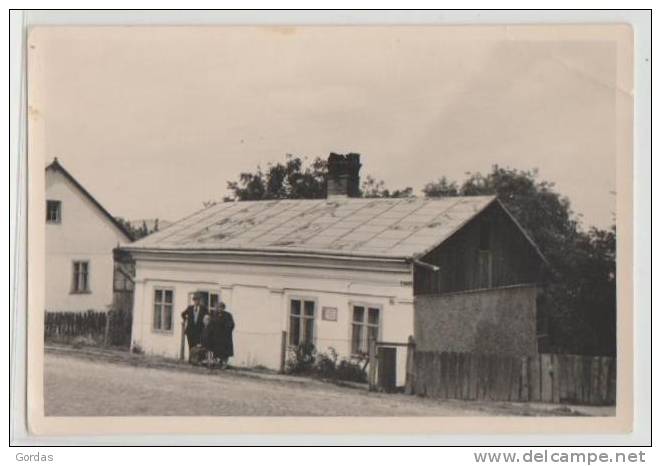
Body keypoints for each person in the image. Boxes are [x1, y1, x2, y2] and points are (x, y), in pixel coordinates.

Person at [181, 292, 208, 362]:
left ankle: (197, 360)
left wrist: (204, 323)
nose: (197, 301)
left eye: (198, 300)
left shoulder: (203, 309)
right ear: (193, 301)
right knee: (190, 344)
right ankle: (190, 359)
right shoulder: (190, 308)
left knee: (197, 345)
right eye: (195, 300)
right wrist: (186, 319)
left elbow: (208, 316)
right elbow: (183, 314)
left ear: (200, 301)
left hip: (199, 330)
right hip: (190, 330)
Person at [214, 302, 235, 368]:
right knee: (218, 350)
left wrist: (227, 330)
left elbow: (231, 324)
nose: (219, 309)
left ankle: (224, 364)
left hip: (225, 336)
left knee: (225, 351)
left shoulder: (228, 315)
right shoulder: (215, 315)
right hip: (217, 336)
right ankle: (219, 363)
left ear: (223, 308)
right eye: (218, 307)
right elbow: (213, 324)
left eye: (221, 307)